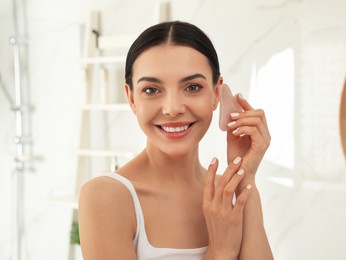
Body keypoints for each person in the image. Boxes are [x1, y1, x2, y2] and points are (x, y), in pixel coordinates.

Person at [78, 20, 273, 260]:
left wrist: (245, 177)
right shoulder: (107, 197)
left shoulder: (229, 194)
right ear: (131, 98)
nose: (172, 108)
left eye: (192, 87)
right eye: (151, 90)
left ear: (215, 93)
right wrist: (221, 251)